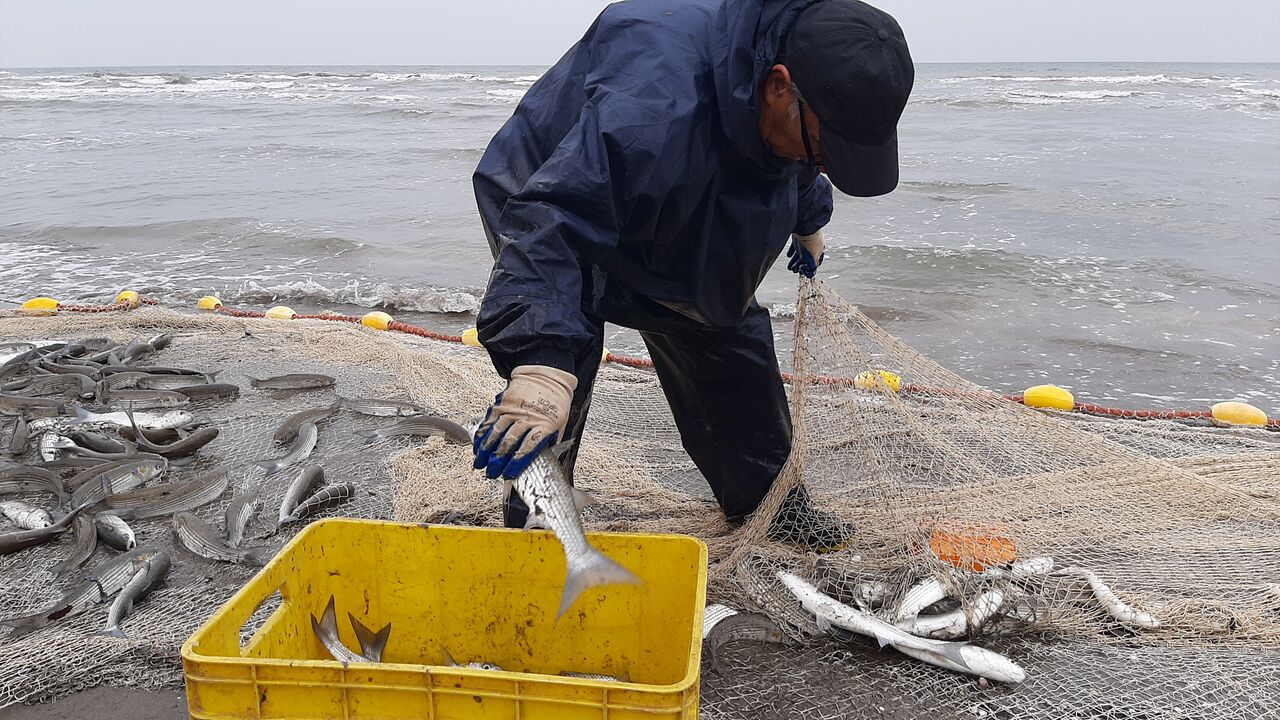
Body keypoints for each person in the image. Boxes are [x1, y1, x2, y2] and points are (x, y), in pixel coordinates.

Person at [470, 0, 913, 548]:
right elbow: (555, 219)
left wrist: (809, 221)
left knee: (724, 333)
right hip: (557, 203)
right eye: (825, 148)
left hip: (683, 183)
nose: (822, 161)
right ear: (779, 86)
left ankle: (768, 510)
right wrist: (540, 360)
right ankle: (540, 519)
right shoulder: (651, 104)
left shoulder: (796, 80)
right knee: (558, 366)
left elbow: (797, 160)